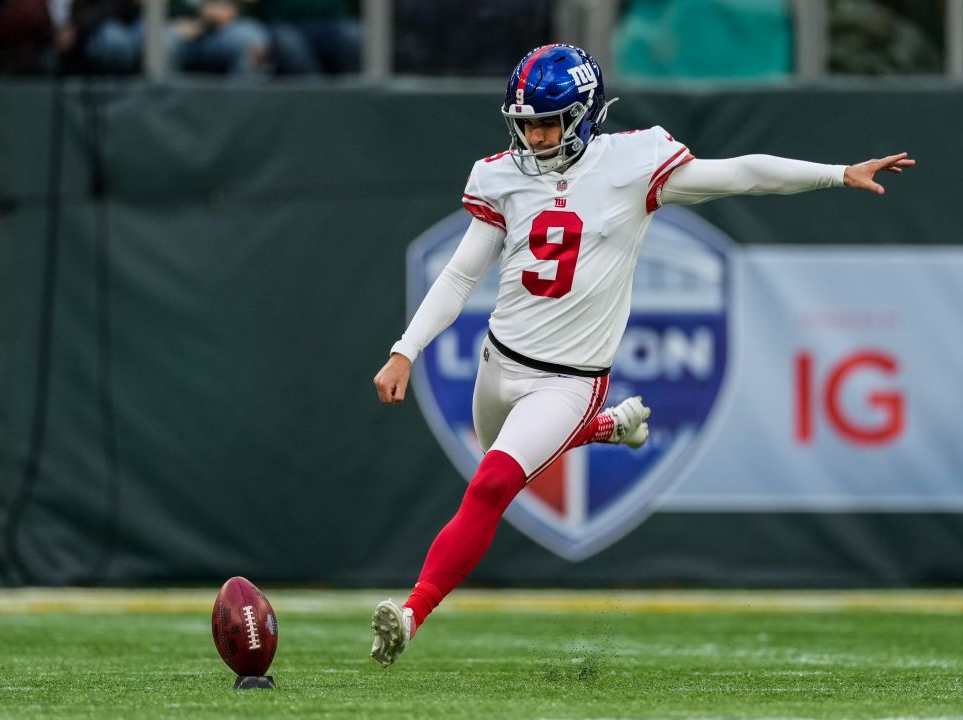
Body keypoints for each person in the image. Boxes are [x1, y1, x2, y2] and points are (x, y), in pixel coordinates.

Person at [368, 44, 914, 668]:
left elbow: (738, 173)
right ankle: (606, 430)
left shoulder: (631, 163)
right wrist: (405, 350)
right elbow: (462, 275)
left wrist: (836, 171)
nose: (535, 134)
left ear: (585, 113)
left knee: (493, 483)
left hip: (570, 380)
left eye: (549, 121)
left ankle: (411, 613)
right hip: (498, 362)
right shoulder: (501, 175)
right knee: (501, 460)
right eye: (527, 121)